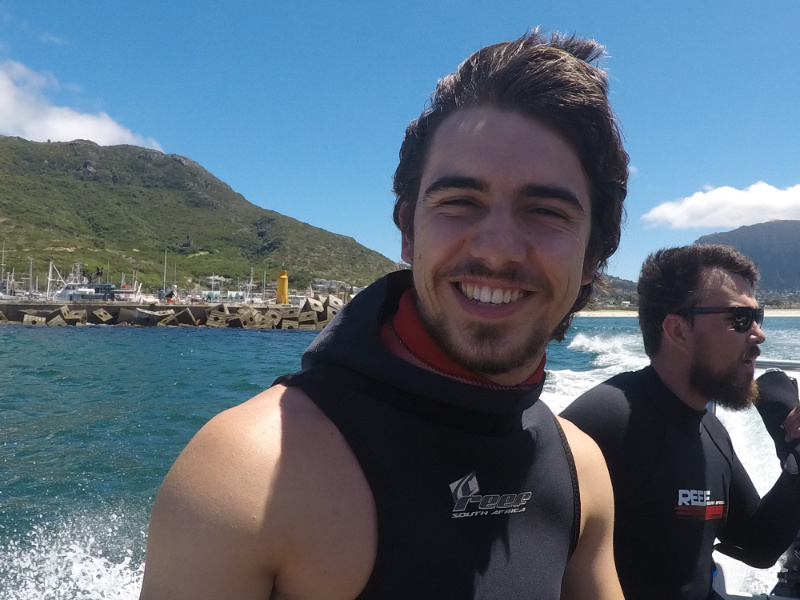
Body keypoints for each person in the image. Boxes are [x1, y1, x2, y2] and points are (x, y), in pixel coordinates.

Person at [140, 29, 630, 600]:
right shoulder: (251, 472)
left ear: (593, 255)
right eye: (460, 202)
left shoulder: (581, 472)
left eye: (545, 210)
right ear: (407, 232)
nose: (497, 250)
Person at [561, 244, 800, 600]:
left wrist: (796, 454)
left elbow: (756, 545)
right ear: (678, 331)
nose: (759, 334)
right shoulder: (602, 424)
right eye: (740, 318)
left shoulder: (710, 430)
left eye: (758, 316)